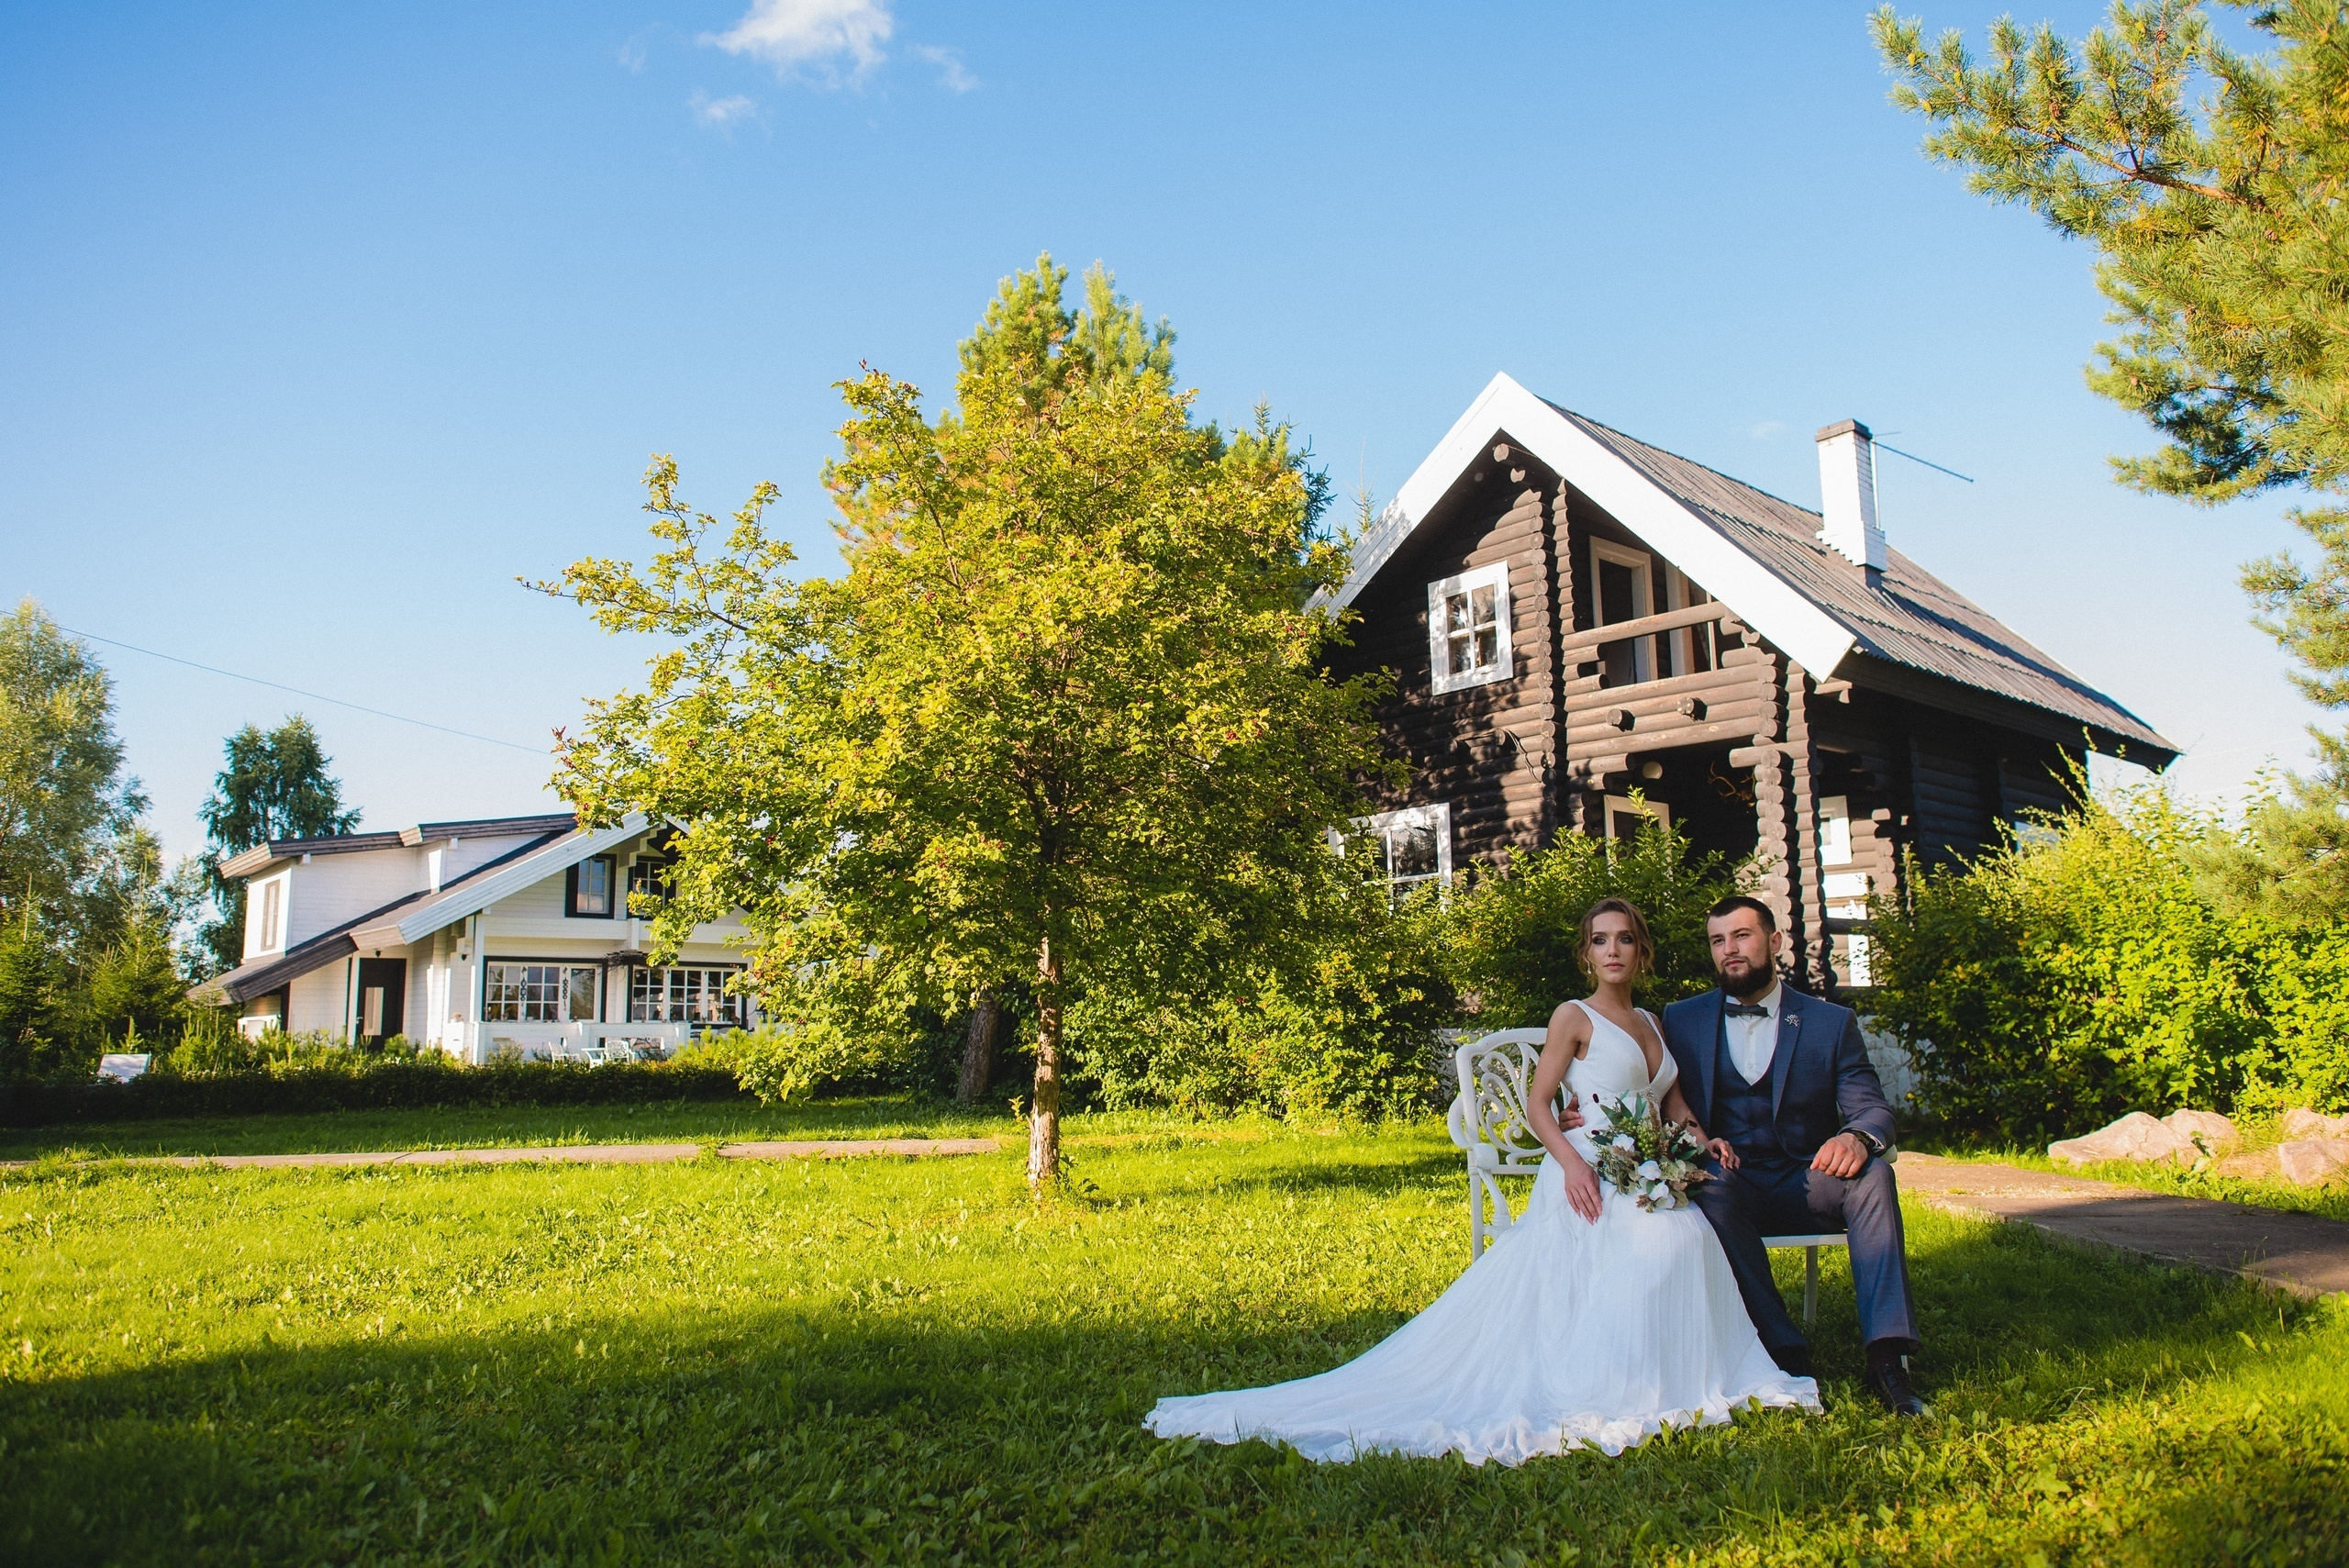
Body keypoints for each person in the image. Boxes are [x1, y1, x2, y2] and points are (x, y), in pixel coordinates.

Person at [1144, 898, 1818, 1464]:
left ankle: (1683, 1376)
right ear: (1586, 954)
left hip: (1644, 1158)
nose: (1612, 951)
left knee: (1689, 1235)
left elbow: (1668, 1101)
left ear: (1642, 951)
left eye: (1625, 940)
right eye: (1599, 941)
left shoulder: (1654, 1022)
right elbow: (1538, 1102)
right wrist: (1574, 1162)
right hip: (1587, 1163)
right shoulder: (1572, 1016)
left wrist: (1701, 1136)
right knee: (1662, 1242)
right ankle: (1616, 1383)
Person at [1662, 895, 1925, 1417]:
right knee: (1706, 1187)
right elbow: (1644, 1086)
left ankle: (1887, 1359)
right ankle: (1784, 1349)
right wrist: (1578, 1109)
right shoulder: (1681, 1019)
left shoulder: (1829, 1023)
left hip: (1808, 1178)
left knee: (1873, 1176)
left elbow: (1872, 1107)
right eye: (1718, 941)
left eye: (1742, 936)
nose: (1729, 950)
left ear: (1775, 941)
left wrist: (1858, 1138)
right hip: (1730, 1183)